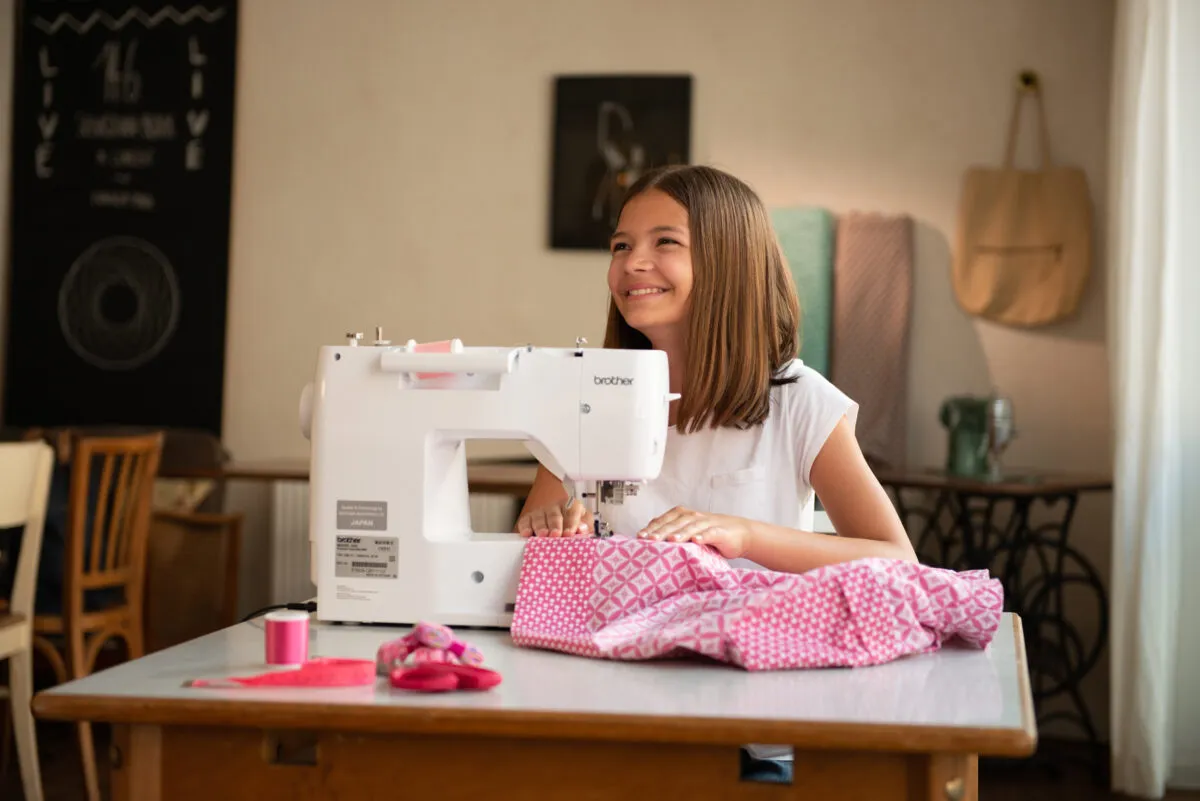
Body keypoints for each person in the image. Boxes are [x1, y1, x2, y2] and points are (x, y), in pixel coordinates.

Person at [515, 164, 917, 574]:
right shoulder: (585, 403)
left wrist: (747, 536)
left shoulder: (800, 403)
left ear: (730, 260)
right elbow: (528, 561)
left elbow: (898, 558)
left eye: (665, 241)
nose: (633, 262)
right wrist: (547, 527)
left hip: (752, 618)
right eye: (621, 246)